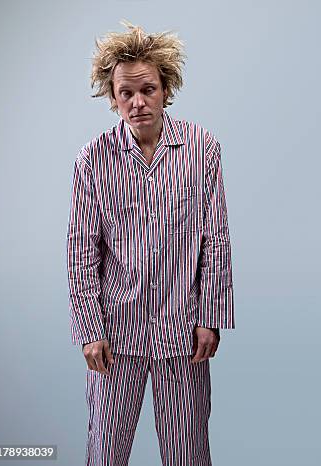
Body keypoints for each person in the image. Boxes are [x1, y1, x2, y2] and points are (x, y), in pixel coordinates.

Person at [66, 20, 235, 465]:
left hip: (183, 332)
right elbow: (82, 252)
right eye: (126, 93)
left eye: (148, 89)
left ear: (166, 88)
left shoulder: (202, 148)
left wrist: (210, 318)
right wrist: (89, 330)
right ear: (112, 95)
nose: (138, 102)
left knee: (189, 454)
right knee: (105, 452)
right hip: (115, 334)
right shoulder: (93, 158)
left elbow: (215, 240)